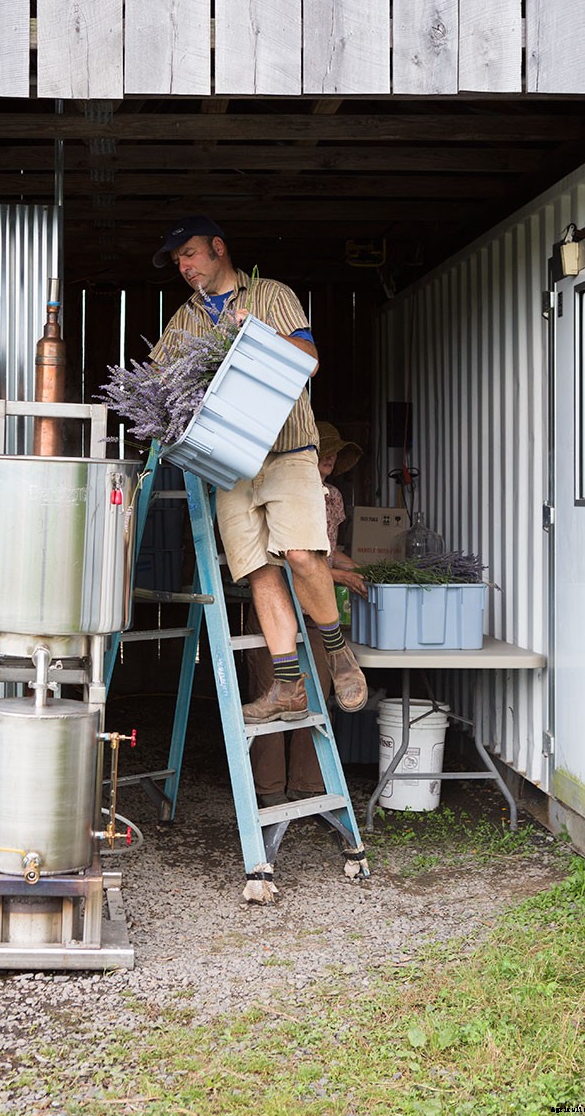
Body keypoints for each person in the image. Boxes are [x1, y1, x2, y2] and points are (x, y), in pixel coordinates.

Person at [150, 215, 368, 727]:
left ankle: (338, 655)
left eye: (190, 254)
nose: (184, 266)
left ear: (219, 248)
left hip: (287, 449)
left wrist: (257, 333)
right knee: (258, 572)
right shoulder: (185, 319)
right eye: (178, 260)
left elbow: (310, 359)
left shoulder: (270, 294)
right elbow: (158, 382)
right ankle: (289, 687)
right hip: (228, 462)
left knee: (302, 554)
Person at [247, 422, 368, 804]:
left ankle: (308, 784)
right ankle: (268, 789)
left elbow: (327, 552)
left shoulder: (332, 497)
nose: (329, 458)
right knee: (274, 692)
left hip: (317, 609)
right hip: (278, 604)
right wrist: (339, 576)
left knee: (318, 694)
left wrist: (358, 568)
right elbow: (285, 560)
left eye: (334, 453)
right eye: (323, 451)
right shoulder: (276, 491)